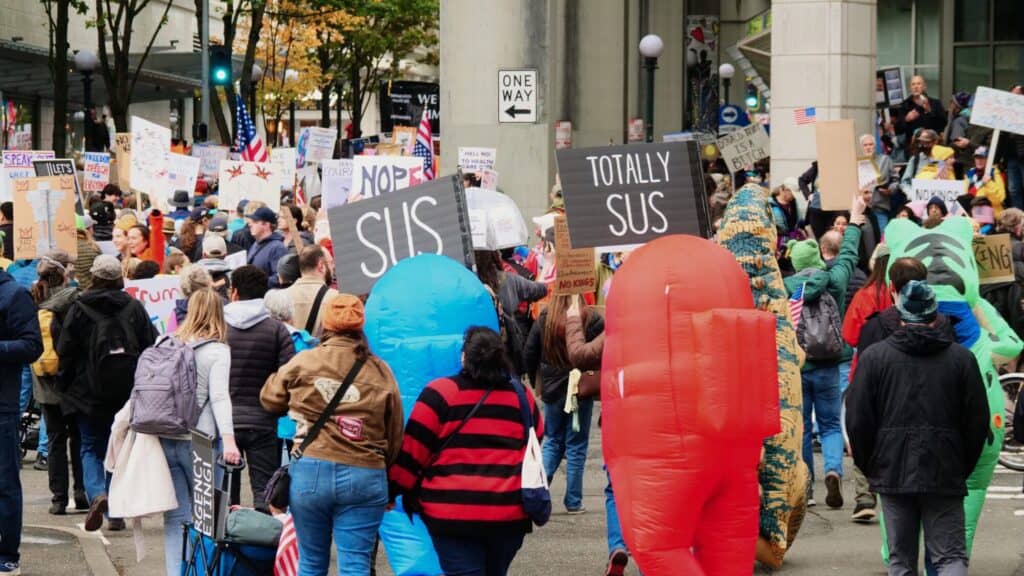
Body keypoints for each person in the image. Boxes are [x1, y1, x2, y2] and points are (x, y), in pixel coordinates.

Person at [846, 280, 989, 576]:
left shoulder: (875, 357)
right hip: (945, 465)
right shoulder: (961, 359)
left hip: (892, 466)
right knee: (950, 555)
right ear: (935, 315)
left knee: (901, 560)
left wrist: (869, 463)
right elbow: (977, 420)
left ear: (900, 314)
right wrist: (962, 464)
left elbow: (858, 419)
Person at [262, 294, 403, 576]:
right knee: (355, 566)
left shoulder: (304, 361)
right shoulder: (380, 370)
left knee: (311, 564)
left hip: (311, 470)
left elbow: (269, 399)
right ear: (360, 326)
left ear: (326, 324)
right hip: (365, 473)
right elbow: (395, 432)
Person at [390, 327, 541, 576]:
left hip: (452, 513)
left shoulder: (440, 393)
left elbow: (413, 451)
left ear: (464, 357)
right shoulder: (520, 395)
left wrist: (392, 492)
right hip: (508, 513)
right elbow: (537, 436)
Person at [55, 254, 156, 532]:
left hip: (85, 393)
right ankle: (116, 511)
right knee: (120, 450)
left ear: (95, 277)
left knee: (89, 446)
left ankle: (98, 493)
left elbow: (65, 351)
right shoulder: (134, 308)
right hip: (126, 392)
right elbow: (152, 345)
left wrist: (63, 387)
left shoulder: (79, 308)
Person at [783, 194, 864, 509]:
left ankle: (808, 490)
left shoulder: (787, 287)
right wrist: (855, 219)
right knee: (830, 423)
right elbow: (847, 254)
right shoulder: (834, 280)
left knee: (801, 427)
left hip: (799, 366)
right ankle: (832, 468)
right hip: (832, 362)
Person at [160, 289, 241, 576]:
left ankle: (175, 572)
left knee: (174, 516)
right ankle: (202, 571)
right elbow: (219, 397)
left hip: (165, 435)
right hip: (201, 441)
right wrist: (230, 441)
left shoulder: (165, 341)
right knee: (208, 517)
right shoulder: (218, 351)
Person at [524, 293, 603, 514]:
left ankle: (538, 488)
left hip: (552, 389)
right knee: (576, 445)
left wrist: (535, 380)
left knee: (553, 440)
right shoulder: (592, 319)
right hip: (581, 387)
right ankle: (573, 501)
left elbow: (530, 351)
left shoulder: (546, 317)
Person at [224, 265, 295, 510]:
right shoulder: (276, 330)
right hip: (263, 421)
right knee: (264, 492)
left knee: (223, 493)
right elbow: (289, 376)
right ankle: (262, 543)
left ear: (234, 292)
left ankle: (226, 545)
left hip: (224, 422)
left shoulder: (218, 327)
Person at [29, 252, 88, 516]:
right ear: (64, 275)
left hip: (44, 383)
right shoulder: (73, 301)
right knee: (77, 437)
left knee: (54, 440)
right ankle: (81, 491)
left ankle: (58, 498)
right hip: (72, 381)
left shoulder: (34, 301)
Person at [0, 261, 42, 575]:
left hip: (2, 406)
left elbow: (31, 346)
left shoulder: (13, 294)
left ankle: (7, 552)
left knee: (4, 482)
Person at [285, 245, 338, 338]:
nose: (333, 267)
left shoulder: (282, 297)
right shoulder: (335, 298)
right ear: (321, 266)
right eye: (331, 262)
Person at [894, 75, 947, 152]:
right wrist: (906, 119)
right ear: (910, 88)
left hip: (932, 146)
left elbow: (943, 124)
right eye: (913, 84)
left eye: (918, 84)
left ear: (924, 87)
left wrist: (929, 111)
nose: (916, 87)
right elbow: (897, 130)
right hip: (912, 148)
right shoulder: (904, 105)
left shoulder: (935, 103)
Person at [860, 134, 897, 233]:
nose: (868, 147)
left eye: (870, 144)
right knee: (867, 240)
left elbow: (896, 180)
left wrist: (890, 190)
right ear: (862, 147)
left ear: (875, 146)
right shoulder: (858, 162)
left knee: (883, 238)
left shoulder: (885, 160)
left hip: (880, 205)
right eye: (865, 145)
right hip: (862, 208)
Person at [245, 207, 288, 287]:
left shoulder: (277, 248)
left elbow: (280, 277)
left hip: (267, 296)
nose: (250, 224)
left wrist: (257, 283)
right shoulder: (255, 244)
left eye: (255, 222)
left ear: (266, 224)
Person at [966, 146, 1006, 217]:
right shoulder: (970, 173)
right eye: (977, 158)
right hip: (973, 215)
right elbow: (964, 196)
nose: (979, 160)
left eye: (982, 158)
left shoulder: (994, 173)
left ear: (988, 159)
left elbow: (1000, 198)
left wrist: (988, 182)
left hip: (992, 217)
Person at [76, 215, 102, 292]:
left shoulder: (64, 250)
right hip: (92, 291)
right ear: (89, 229)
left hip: (73, 293)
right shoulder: (93, 247)